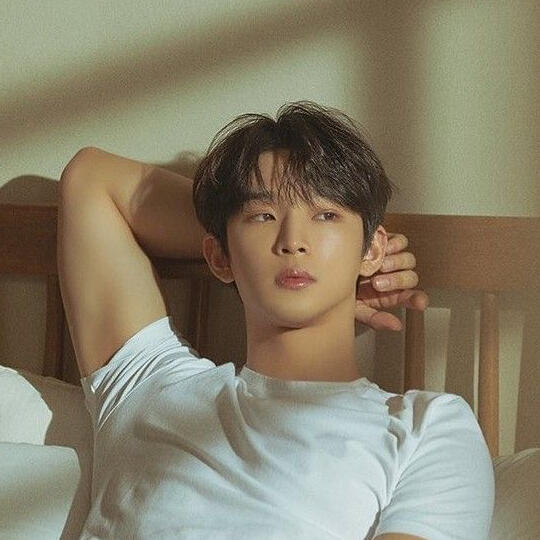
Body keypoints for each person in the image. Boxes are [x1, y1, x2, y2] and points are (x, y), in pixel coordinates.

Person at [57, 101, 494, 539]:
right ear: (216, 256)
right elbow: (90, 179)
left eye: (326, 215)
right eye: (264, 216)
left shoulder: (427, 427)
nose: (293, 241)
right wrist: (235, 237)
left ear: (374, 249)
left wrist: (338, 253)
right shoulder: (149, 386)